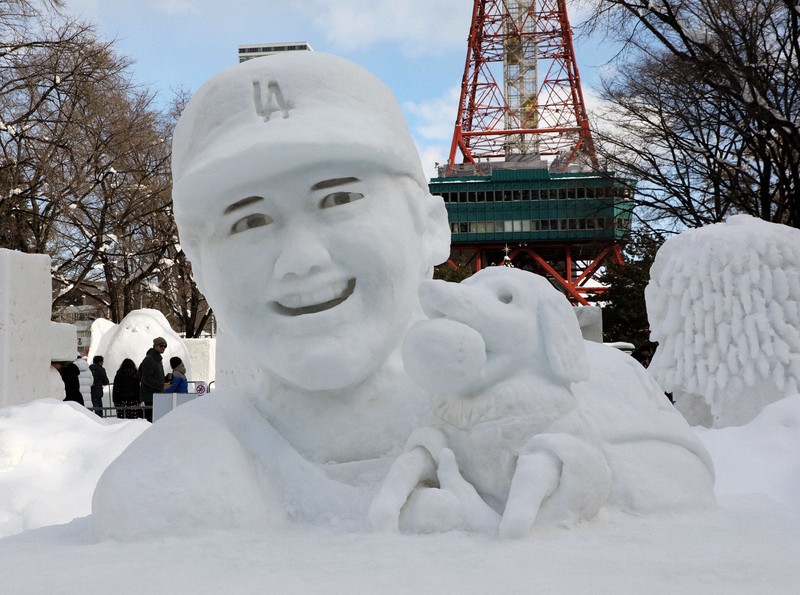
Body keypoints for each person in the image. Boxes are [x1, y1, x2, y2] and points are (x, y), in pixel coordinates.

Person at [92, 51, 451, 538]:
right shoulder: (168, 487)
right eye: (249, 221)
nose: (302, 259)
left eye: (339, 198)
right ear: (199, 272)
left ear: (430, 225)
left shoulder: (570, 422)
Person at [138, 336, 170, 422]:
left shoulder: (157, 359)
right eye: (161, 345)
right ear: (155, 346)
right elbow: (146, 378)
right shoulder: (149, 359)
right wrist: (162, 385)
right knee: (152, 421)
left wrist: (166, 378)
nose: (163, 348)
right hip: (150, 396)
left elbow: (155, 376)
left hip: (157, 395)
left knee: (156, 420)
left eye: (165, 346)